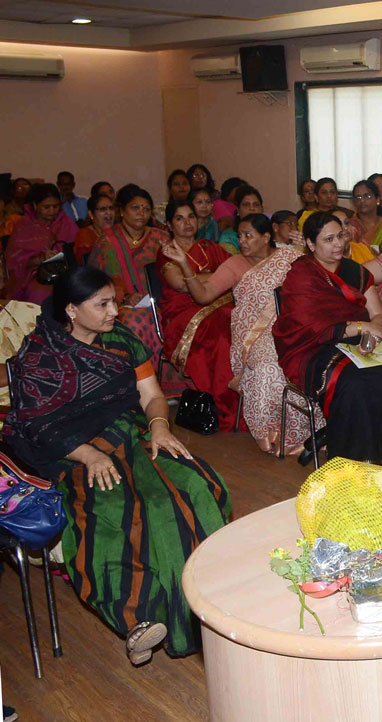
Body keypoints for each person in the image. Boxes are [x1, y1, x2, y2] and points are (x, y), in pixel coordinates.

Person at [4, 266, 231, 664]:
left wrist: (160, 426)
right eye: (103, 304)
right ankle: (139, 618)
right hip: (70, 453)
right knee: (108, 511)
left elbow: (152, 395)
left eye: (115, 301)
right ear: (72, 310)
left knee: (193, 485)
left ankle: (214, 603)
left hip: (131, 435)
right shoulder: (40, 354)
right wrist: (88, 453)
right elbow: (34, 422)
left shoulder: (122, 341)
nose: (115, 312)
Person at [274, 211, 382, 464]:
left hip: (359, 345)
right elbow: (308, 325)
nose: (339, 244)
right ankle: (351, 462)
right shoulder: (301, 276)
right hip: (314, 348)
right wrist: (359, 328)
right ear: (310, 244)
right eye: (329, 239)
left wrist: (371, 335)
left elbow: (377, 314)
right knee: (354, 384)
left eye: (340, 236)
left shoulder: (354, 271)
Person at [227, 214, 321, 455]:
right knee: (269, 367)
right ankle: (274, 434)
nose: (242, 241)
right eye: (239, 235)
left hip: (293, 327)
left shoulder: (289, 256)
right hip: (256, 335)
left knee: (310, 358)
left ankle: (313, 431)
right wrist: (186, 268)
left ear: (266, 236)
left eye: (248, 235)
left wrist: (311, 250)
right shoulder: (235, 264)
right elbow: (205, 293)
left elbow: (317, 278)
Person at [157, 200, 240, 433]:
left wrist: (205, 277)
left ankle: (252, 401)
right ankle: (227, 404)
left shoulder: (208, 246)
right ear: (170, 225)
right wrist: (221, 276)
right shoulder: (167, 252)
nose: (187, 223)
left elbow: (237, 267)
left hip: (218, 305)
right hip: (184, 315)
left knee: (243, 325)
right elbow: (180, 285)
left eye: (190, 217)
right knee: (222, 340)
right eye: (179, 218)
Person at [87, 185, 169, 365]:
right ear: (121, 211)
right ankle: (144, 376)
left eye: (146, 209)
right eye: (135, 208)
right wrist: (123, 299)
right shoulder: (106, 241)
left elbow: (173, 275)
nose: (141, 213)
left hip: (160, 302)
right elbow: (93, 284)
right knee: (133, 320)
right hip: (118, 306)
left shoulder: (161, 239)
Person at [4, 183, 70, 303]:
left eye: (55, 206)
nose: (52, 211)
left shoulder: (66, 223)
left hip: (65, 272)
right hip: (32, 276)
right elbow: (14, 261)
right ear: (35, 205)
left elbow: (76, 251)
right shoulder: (24, 225)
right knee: (40, 293)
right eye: (46, 207)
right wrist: (42, 258)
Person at [349, 179, 382, 252]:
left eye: (367, 196)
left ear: (377, 199)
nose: (362, 200)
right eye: (358, 197)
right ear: (354, 202)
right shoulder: (350, 227)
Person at [216, 185, 265, 254]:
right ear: (238, 210)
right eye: (246, 204)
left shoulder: (269, 233)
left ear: (262, 209)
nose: (252, 208)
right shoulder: (229, 237)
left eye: (256, 204)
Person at [73, 193, 117, 265]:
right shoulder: (84, 235)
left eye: (111, 208)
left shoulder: (118, 231)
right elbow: (87, 264)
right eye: (103, 209)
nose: (109, 212)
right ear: (91, 214)